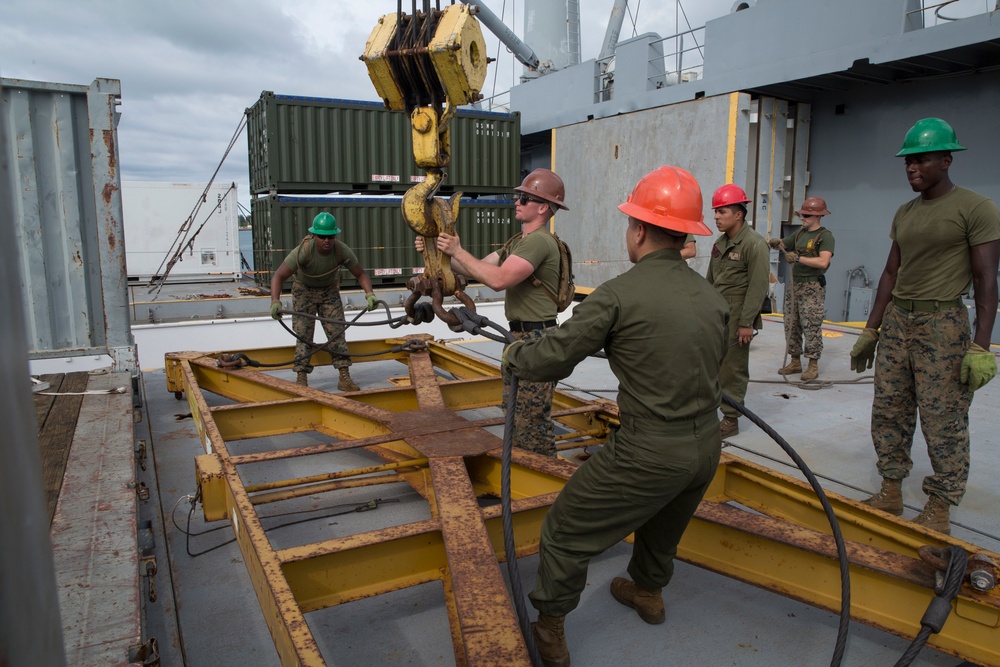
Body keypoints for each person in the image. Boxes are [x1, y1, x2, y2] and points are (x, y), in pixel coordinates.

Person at [504, 166, 729, 667]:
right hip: (706, 447)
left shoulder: (617, 294)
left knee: (565, 529)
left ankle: (551, 627)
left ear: (641, 229)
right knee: (663, 520)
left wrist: (513, 356)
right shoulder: (713, 299)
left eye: (630, 223)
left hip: (649, 449)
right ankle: (648, 592)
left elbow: (552, 357)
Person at [851, 118, 999, 535]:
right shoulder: (904, 213)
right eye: (908, 162)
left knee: (944, 418)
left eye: (922, 160)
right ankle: (891, 489)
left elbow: (988, 279)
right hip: (899, 320)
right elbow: (890, 273)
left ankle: (940, 503)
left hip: (943, 323)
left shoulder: (976, 208)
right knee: (890, 409)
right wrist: (871, 330)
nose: (913, 168)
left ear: (947, 161)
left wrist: (982, 345)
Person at [415, 168, 568, 457]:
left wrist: (457, 251)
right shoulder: (518, 242)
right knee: (515, 412)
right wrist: (437, 250)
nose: (517, 201)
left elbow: (498, 281)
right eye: (518, 196)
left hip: (537, 339)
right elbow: (476, 269)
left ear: (544, 207)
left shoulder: (539, 242)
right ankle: (524, 468)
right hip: (522, 337)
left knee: (531, 420)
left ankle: (546, 474)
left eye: (524, 198)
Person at [269, 212, 378, 390]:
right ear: (314, 236)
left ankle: (344, 376)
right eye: (322, 237)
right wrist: (275, 301)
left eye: (330, 237)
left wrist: (370, 294)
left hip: (329, 291)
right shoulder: (303, 251)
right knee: (303, 334)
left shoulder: (341, 251)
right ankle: (301, 378)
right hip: (304, 291)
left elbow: (360, 273)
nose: (326, 240)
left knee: (337, 333)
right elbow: (279, 276)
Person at [706, 184, 770, 438]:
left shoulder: (754, 245)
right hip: (717, 314)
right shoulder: (721, 243)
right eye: (716, 212)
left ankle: (730, 419)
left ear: (738, 214)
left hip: (737, 317)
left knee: (733, 369)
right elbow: (710, 280)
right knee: (711, 364)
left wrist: (747, 323)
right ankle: (710, 411)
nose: (717, 217)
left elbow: (758, 287)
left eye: (722, 211)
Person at [768, 197, 836, 381]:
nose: (802, 218)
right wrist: (777, 242)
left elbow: (823, 261)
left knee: (811, 325)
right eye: (802, 214)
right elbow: (785, 244)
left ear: (818, 216)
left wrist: (798, 259)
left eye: (806, 215)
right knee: (791, 323)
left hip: (812, 286)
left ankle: (813, 364)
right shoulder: (800, 234)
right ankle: (795, 361)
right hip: (795, 285)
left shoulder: (825, 237)